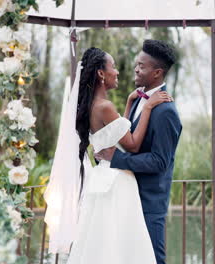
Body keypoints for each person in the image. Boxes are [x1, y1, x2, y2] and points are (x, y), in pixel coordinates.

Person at [44, 46, 173, 264]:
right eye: (113, 67)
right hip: (117, 181)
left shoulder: (93, 105)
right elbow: (131, 143)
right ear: (101, 73)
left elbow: (115, 133)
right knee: (120, 244)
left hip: (101, 178)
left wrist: (130, 103)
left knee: (103, 241)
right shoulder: (105, 106)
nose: (118, 72)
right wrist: (148, 108)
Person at [95, 39, 183, 264]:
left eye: (142, 66)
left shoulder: (166, 111)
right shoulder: (137, 99)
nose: (135, 68)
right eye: (137, 64)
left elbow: (159, 161)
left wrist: (118, 158)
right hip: (127, 196)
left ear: (157, 73)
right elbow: (129, 138)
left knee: (153, 259)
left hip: (149, 203)